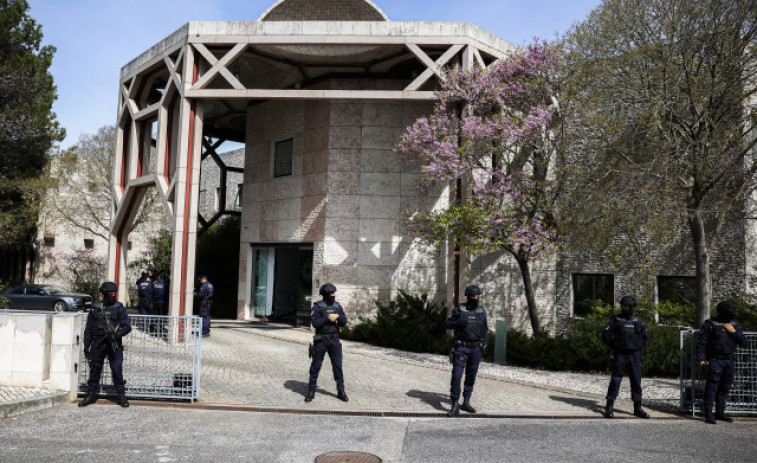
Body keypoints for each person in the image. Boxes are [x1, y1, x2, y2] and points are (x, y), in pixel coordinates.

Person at [79, 281, 132, 408]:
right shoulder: (95, 307)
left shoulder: (119, 308)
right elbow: (89, 327)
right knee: (95, 370)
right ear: (103, 294)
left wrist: (116, 335)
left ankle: (121, 395)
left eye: (114, 293)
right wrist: (87, 345)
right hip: (97, 344)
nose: (112, 295)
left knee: (116, 370)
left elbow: (127, 326)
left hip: (113, 344)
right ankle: (91, 394)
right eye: (109, 293)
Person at [696, 300, 747, 424]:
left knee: (724, 387)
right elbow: (701, 343)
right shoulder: (710, 324)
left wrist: (733, 332)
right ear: (724, 312)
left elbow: (743, 342)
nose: (733, 315)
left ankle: (720, 413)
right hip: (715, 360)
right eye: (731, 312)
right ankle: (708, 414)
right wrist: (700, 360)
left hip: (729, 360)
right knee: (712, 387)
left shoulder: (734, 325)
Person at [601, 295, 650, 419]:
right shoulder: (616, 320)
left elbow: (646, 338)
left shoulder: (639, 321)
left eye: (627, 306)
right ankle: (609, 406)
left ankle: (637, 407)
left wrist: (636, 347)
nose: (625, 308)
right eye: (623, 305)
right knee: (616, 380)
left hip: (634, 355)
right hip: (620, 355)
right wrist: (615, 346)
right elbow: (605, 335)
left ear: (633, 307)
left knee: (636, 381)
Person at [445, 284, 488, 417]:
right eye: (474, 296)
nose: (477, 298)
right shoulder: (459, 309)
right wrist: (458, 322)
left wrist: (485, 345)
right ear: (468, 297)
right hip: (461, 348)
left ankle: (466, 402)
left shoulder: (481, 311)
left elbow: (485, 329)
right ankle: (455, 404)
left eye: (478, 295)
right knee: (457, 375)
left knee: (471, 375)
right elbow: (447, 323)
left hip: (476, 348)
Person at [305, 283, 348, 403]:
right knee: (315, 367)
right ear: (326, 294)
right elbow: (315, 324)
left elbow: (344, 322)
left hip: (334, 340)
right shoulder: (317, 306)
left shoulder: (337, 306)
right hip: (321, 340)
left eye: (334, 293)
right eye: (332, 293)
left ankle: (341, 391)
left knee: (338, 366)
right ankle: (311, 391)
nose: (334, 295)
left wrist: (338, 317)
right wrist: (328, 317)